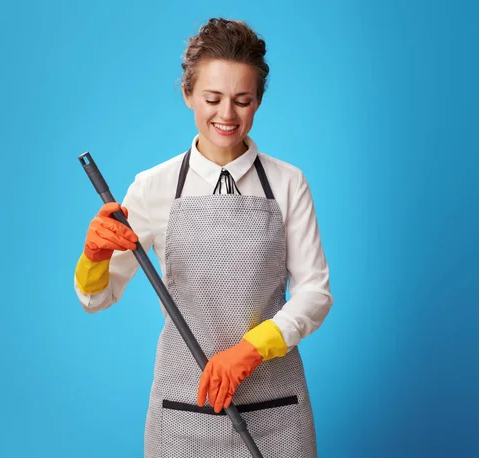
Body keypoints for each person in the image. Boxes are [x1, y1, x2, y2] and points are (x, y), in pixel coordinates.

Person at [73, 17, 333, 458]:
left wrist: (249, 350)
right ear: (187, 94)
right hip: (183, 414)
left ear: (259, 101)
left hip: (278, 412)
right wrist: (93, 256)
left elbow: (315, 294)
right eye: (212, 98)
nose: (227, 115)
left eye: (242, 100)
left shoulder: (288, 183)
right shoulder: (152, 188)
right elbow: (96, 299)